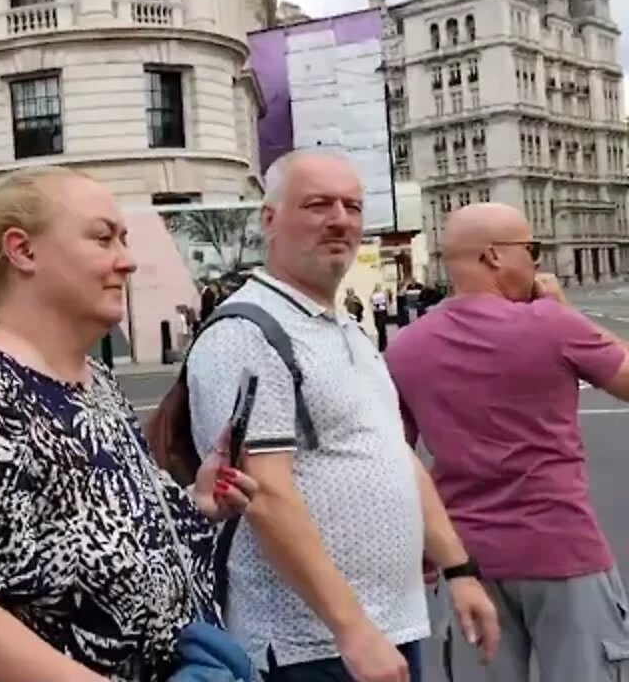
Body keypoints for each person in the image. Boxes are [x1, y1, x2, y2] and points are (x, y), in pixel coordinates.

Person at [0, 166, 259, 681]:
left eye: (123, 238)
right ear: (23, 251)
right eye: (103, 239)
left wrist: (196, 505)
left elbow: (100, 531)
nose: (127, 260)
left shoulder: (91, 378)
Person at [186, 150, 498, 682]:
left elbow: (394, 455)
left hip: (386, 630)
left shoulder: (348, 330)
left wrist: (459, 568)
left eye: (352, 206)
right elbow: (266, 497)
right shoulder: (245, 333)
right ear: (270, 219)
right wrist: (351, 628)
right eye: (317, 205)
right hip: (310, 647)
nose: (340, 219)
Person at [385, 203, 629, 682]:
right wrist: (564, 311)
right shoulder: (552, 325)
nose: (536, 263)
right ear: (495, 256)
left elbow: (396, 462)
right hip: (562, 549)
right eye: (531, 250)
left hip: (467, 560)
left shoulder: (405, 348)